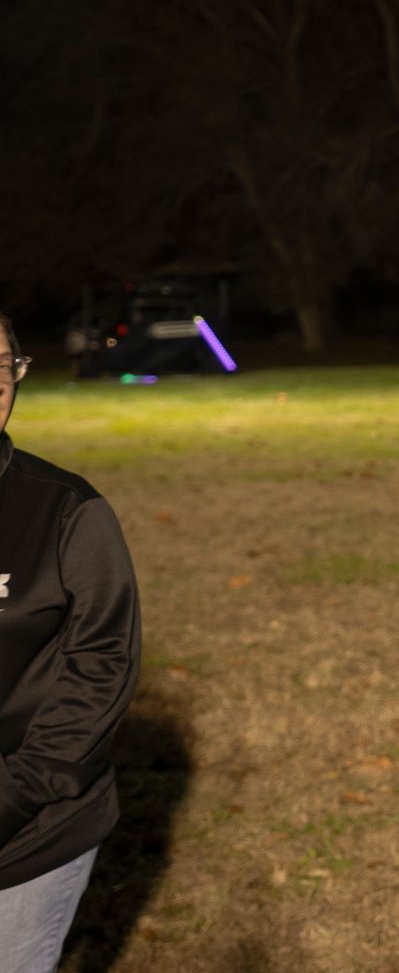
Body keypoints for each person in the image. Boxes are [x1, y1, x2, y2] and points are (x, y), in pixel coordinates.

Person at [0, 312, 142, 973]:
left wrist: (12, 793)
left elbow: (100, 667)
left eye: (1, 365)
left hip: (29, 834)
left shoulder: (66, 512)